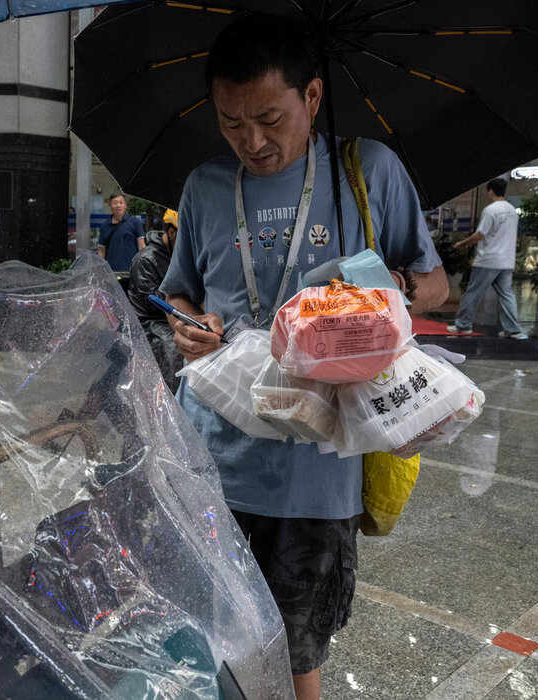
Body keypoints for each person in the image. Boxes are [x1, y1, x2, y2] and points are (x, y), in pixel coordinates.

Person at [157, 16, 447, 700]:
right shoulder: (203, 186)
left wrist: (386, 291)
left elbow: (434, 283)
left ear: (312, 98)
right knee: (205, 636)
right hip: (210, 457)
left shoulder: (366, 170)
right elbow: (177, 293)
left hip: (315, 470)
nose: (252, 142)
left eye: (269, 118)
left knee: (297, 647)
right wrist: (187, 324)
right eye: (231, 122)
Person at [446, 178, 527, 338]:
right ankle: (513, 329)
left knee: (473, 292)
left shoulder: (491, 210)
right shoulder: (512, 210)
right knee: (507, 294)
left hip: (488, 260)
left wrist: (461, 244)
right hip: (506, 261)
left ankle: (463, 325)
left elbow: (480, 235)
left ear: (490, 191)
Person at [128, 209, 183, 392]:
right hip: (150, 321)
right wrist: (182, 298)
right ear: (171, 232)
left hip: (178, 314)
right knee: (173, 348)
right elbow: (149, 300)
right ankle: (171, 400)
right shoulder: (146, 259)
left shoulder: (179, 256)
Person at [97, 192, 145, 276]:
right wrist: (101, 270)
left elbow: (141, 246)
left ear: (125, 205)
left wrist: (144, 267)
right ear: (110, 205)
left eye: (121, 202)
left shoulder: (135, 222)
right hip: (112, 272)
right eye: (115, 203)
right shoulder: (105, 226)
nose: (118, 205)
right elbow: (101, 250)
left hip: (133, 271)